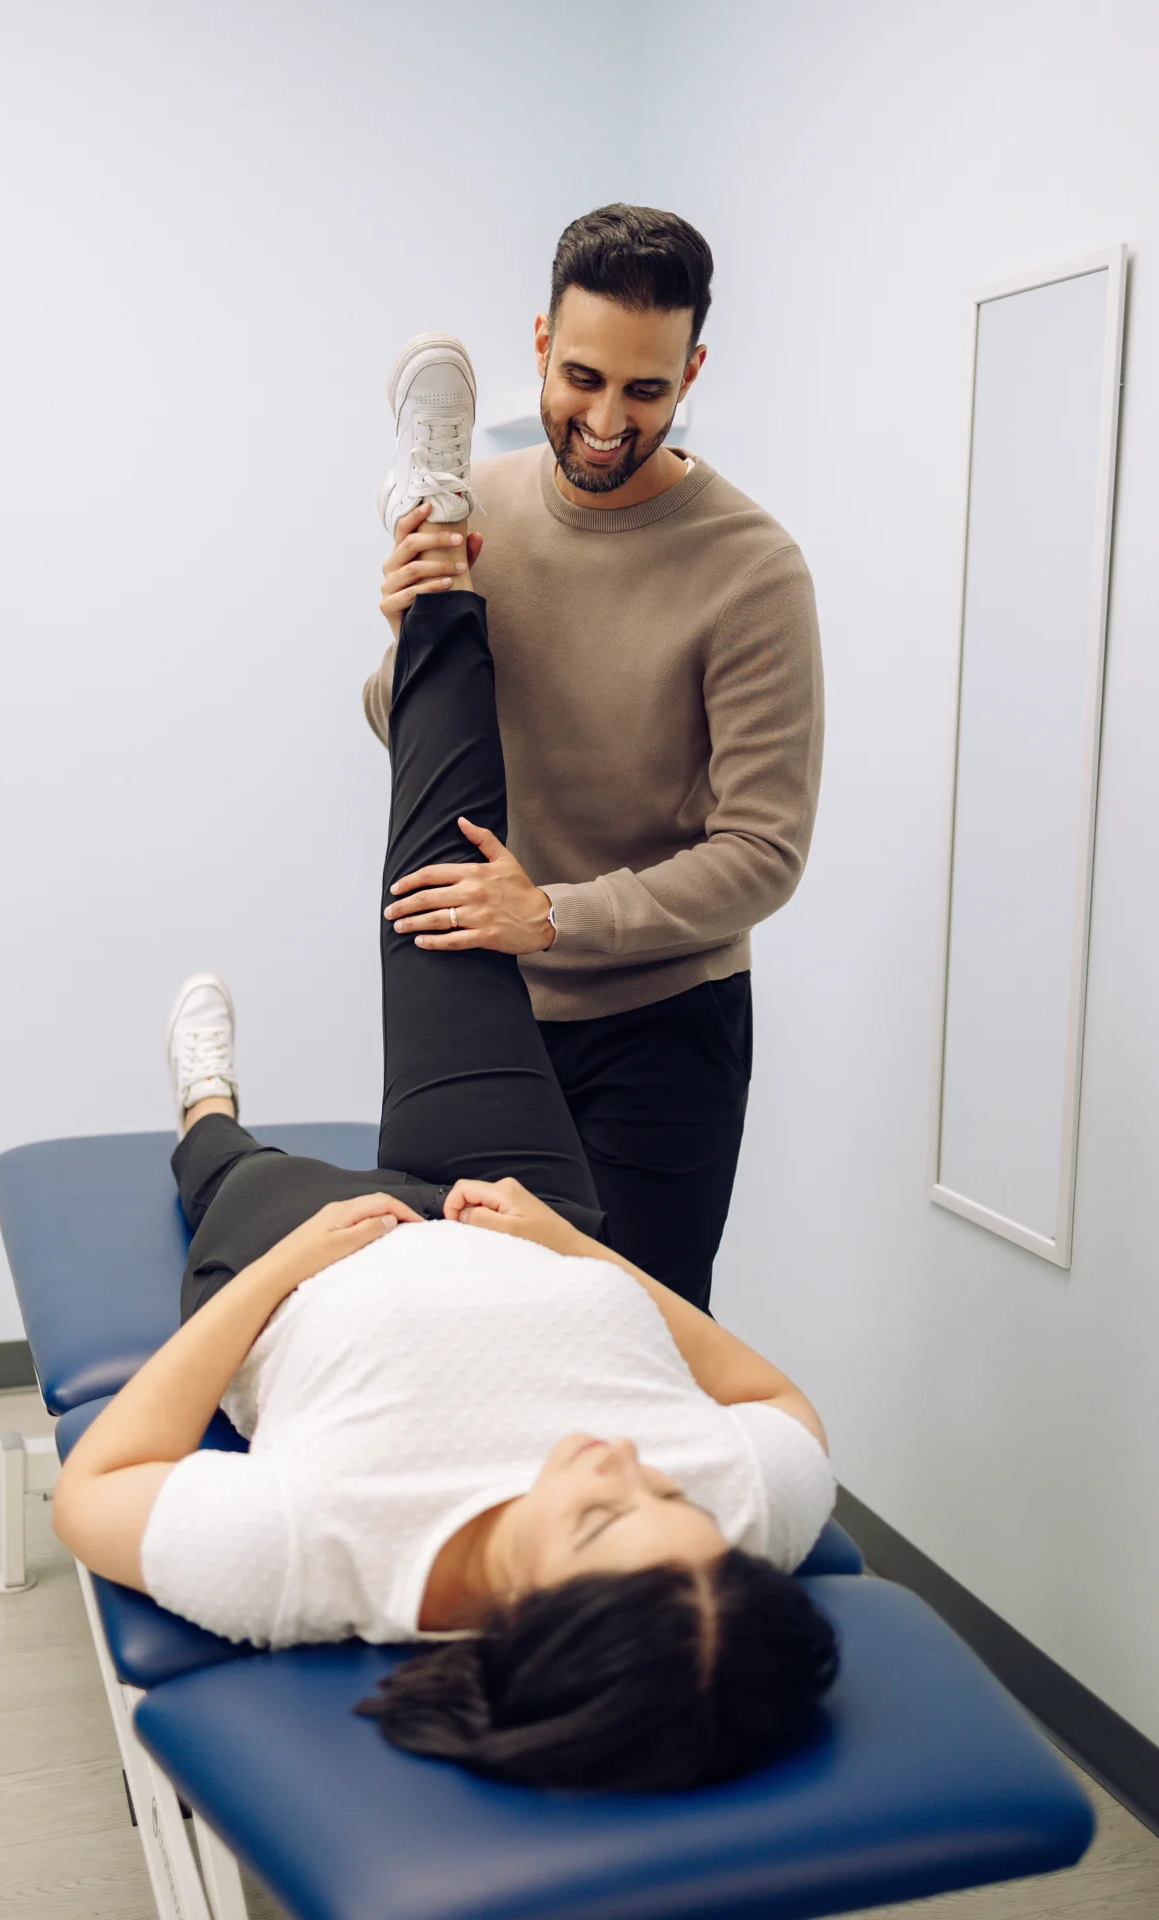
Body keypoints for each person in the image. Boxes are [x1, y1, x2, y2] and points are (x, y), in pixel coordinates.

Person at [53, 556, 837, 1793]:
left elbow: (95, 1486)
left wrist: (278, 1273)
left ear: (516, 1626)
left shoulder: (311, 1560)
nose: (615, 1458)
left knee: (227, 1165)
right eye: (660, 1494)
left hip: (314, 1266)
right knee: (446, 902)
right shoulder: (710, 1547)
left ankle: (204, 1098)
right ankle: (438, 568)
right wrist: (573, 1249)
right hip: (518, 1217)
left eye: (592, 1514)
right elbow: (782, 1412)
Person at [364, 206, 824, 1312]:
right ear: (538, 345)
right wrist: (412, 635)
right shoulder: (495, 511)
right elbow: (404, 731)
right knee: (472, 1324)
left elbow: (762, 853)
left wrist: (556, 916)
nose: (607, 421)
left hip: (659, 1030)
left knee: (632, 1334)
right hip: (491, 1003)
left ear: (691, 371)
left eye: (646, 391)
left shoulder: (751, 570)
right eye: (581, 379)